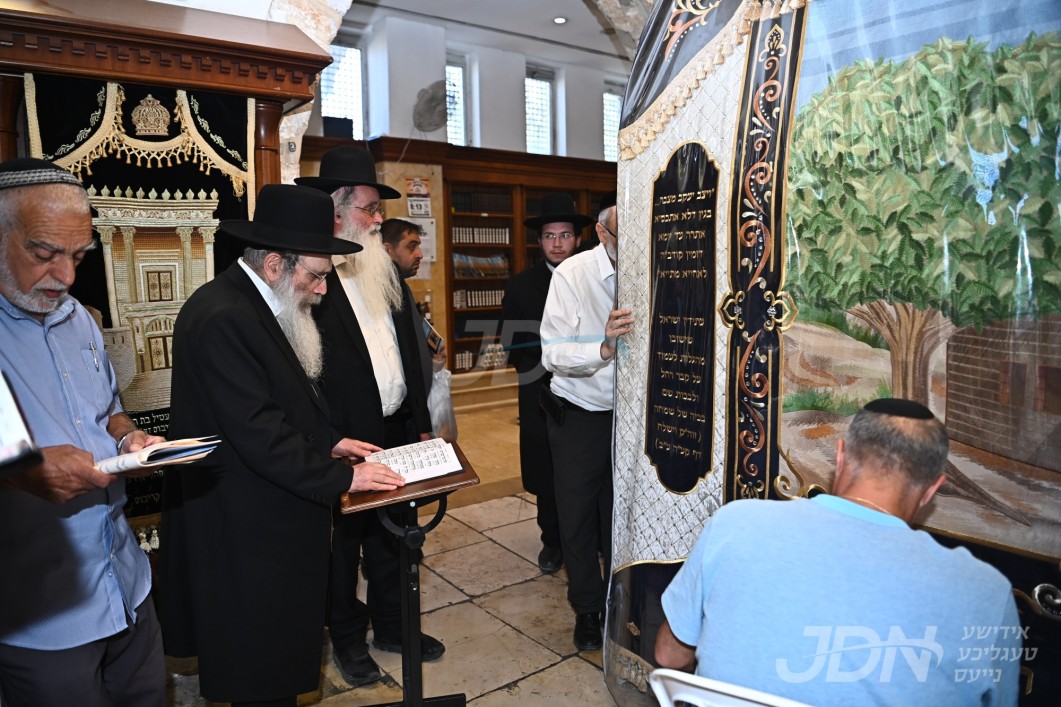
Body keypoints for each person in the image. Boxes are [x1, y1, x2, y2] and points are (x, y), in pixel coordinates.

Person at [158, 183, 406, 706]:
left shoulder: (257, 302)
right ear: (274, 265)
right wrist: (346, 478)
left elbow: (279, 401)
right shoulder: (225, 316)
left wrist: (330, 442)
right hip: (243, 529)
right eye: (316, 275)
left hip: (268, 515)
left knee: (277, 656)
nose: (323, 290)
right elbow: (259, 432)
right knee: (260, 666)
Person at [655, 398, 1022, 707]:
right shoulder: (985, 593)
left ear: (841, 456)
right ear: (932, 489)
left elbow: (669, 656)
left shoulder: (735, 523)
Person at [0, 158, 167, 706]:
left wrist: (126, 438)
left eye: (77, 256)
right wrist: (22, 471)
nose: (67, 277)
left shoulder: (78, 317)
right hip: (43, 611)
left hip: (126, 584)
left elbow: (109, 407)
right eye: (44, 254)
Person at [297, 147, 444, 688]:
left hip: (398, 428)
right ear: (337, 211)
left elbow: (410, 351)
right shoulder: (311, 274)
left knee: (397, 536)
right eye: (369, 208)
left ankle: (394, 626)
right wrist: (328, 439)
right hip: (346, 440)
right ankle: (348, 640)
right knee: (344, 549)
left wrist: (420, 420)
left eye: (378, 209)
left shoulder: (383, 268)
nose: (379, 218)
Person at [540, 192, 633, 651]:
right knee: (577, 519)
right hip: (580, 416)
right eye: (622, 236)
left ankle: (622, 601)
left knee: (620, 516)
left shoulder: (650, 269)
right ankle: (588, 609)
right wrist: (603, 348)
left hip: (631, 419)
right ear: (601, 233)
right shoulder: (572, 274)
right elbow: (552, 353)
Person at [501, 193, 592, 574]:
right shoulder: (521, 286)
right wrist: (551, 365)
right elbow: (512, 343)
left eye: (565, 235)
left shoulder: (596, 280)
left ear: (578, 239)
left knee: (586, 469)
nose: (557, 243)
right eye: (550, 236)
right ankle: (552, 541)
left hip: (590, 389)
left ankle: (589, 539)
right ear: (539, 241)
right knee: (546, 469)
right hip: (541, 391)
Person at [382, 217, 445, 397]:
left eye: (419, 246)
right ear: (387, 250)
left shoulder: (401, 286)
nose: (420, 254)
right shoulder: (384, 291)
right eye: (411, 247)